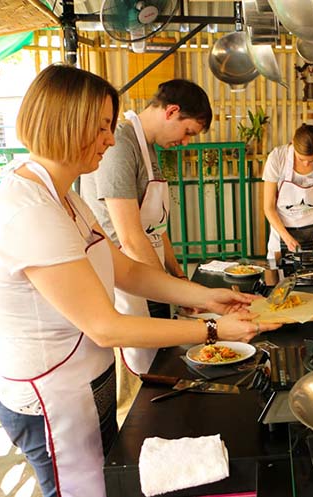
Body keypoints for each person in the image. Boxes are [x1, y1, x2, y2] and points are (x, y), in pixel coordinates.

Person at [0, 64, 280, 497]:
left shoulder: (66, 198)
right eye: (101, 126)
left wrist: (207, 297)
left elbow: (127, 269)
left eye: (111, 126)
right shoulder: (31, 212)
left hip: (82, 385)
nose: (111, 139)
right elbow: (105, 325)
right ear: (65, 122)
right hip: (51, 400)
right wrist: (213, 330)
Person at [80, 79, 211, 421]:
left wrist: (180, 276)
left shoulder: (148, 148)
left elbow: (156, 227)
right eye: (188, 132)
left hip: (148, 276)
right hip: (123, 280)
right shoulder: (122, 144)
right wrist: (176, 292)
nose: (184, 142)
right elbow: (131, 236)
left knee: (158, 368)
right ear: (171, 111)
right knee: (136, 390)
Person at [262, 124, 313, 259]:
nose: (306, 164)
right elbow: (268, 207)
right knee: (278, 278)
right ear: (293, 144)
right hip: (282, 232)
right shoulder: (277, 158)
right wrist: (286, 237)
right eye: (301, 159)